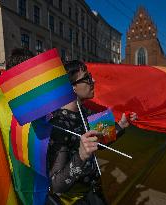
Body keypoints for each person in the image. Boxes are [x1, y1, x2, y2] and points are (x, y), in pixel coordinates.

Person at [47, 60, 137, 205]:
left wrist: (121, 125)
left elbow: (100, 143)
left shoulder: (87, 111)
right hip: (75, 201)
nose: (93, 80)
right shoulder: (58, 124)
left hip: (94, 192)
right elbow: (56, 185)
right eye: (87, 78)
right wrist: (81, 156)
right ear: (73, 87)